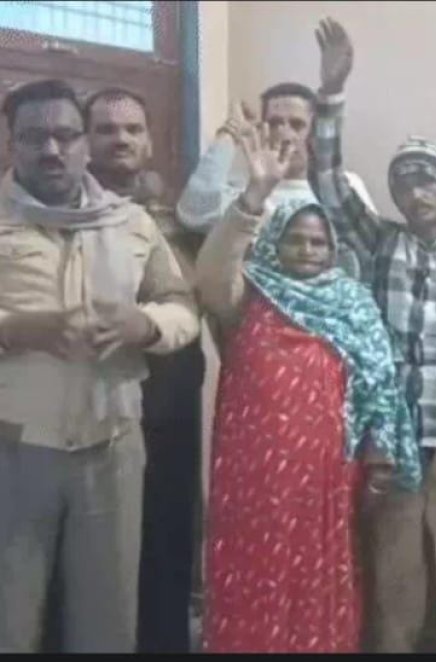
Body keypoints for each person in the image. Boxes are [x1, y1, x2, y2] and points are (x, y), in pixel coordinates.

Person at [313, 19, 436, 653]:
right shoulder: (380, 243)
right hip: (392, 440)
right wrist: (332, 95)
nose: (415, 193)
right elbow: (328, 183)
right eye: (403, 184)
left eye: (426, 180)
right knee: (395, 580)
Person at [195, 121, 421, 654]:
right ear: (274, 242)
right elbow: (208, 280)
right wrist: (254, 196)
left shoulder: (352, 303)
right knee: (253, 570)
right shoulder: (250, 293)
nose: (307, 250)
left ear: (333, 249)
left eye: (318, 242)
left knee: (320, 574)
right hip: (253, 477)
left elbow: (379, 384)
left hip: (326, 475)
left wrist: (379, 450)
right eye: (294, 239)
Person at [0, 78, 199, 653]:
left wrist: (146, 326)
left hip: (112, 448)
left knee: (106, 622)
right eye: (34, 137)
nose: (52, 149)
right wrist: (15, 329)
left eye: (66, 135)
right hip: (14, 449)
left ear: (84, 142)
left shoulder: (130, 223)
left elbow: (181, 304)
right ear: (12, 144)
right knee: (11, 617)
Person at [84, 87, 206, 653]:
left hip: (171, 406)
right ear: (85, 141)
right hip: (98, 406)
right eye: (106, 129)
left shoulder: (181, 219)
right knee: (96, 555)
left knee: (167, 539)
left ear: (150, 141)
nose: (121, 140)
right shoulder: (62, 214)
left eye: (133, 129)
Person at [175, 80, 376, 242]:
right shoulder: (244, 190)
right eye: (274, 123)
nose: (285, 135)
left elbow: (371, 246)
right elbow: (192, 214)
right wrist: (231, 130)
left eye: (297, 125)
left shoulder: (344, 184)